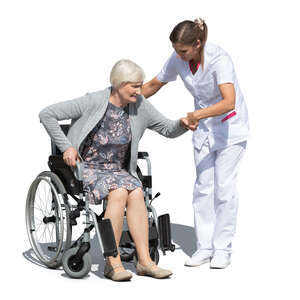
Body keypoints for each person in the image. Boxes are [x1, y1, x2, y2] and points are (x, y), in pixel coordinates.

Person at [39, 59, 196, 281]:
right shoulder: (92, 101)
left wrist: (182, 123)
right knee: (120, 191)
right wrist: (67, 147)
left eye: (141, 85)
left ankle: (144, 262)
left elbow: (166, 128)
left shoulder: (140, 105)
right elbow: (47, 114)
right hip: (87, 167)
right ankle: (112, 263)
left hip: (118, 170)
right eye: (135, 86)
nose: (140, 91)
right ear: (118, 84)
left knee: (137, 191)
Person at [142, 18, 249, 269]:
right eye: (176, 50)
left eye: (183, 50)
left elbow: (229, 101)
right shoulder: (178, 58)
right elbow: (155, 83)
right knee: (202, 187)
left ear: (198, 44)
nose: (178, 55)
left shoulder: (219, 59)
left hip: (230, 128)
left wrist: (196, 116)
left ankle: (222, 248)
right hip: (203, 129)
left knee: (223, 188)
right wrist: (122, 98)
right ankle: (204, 247)